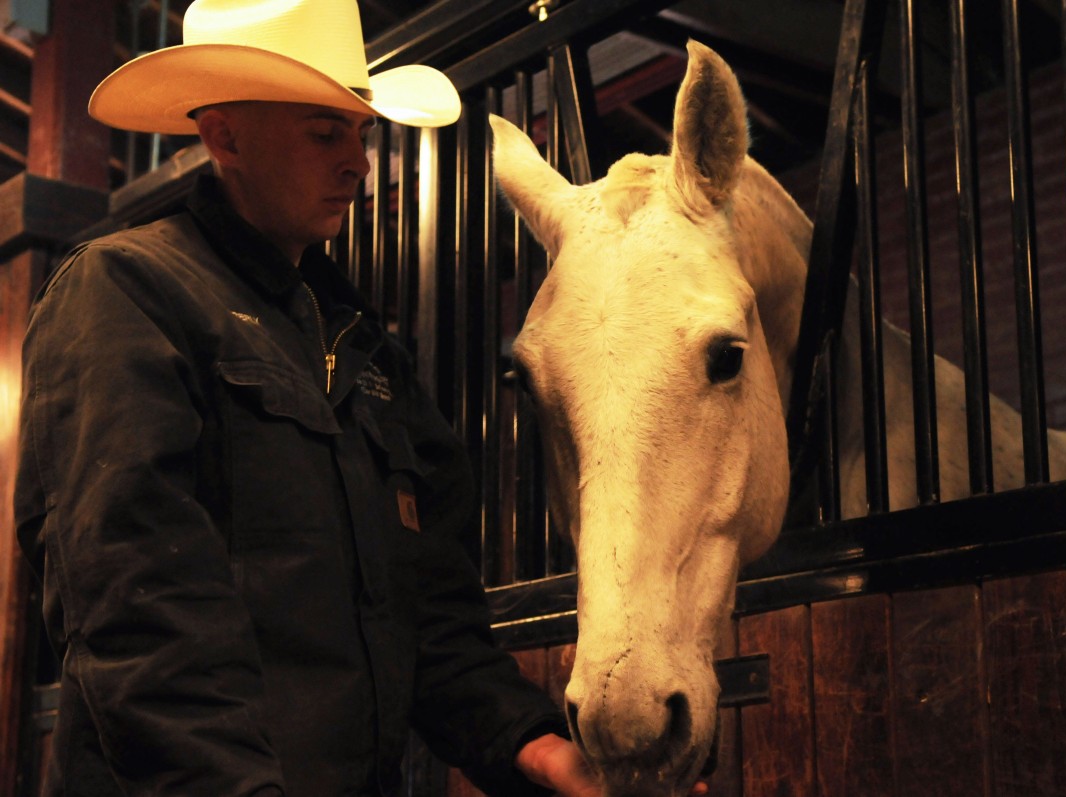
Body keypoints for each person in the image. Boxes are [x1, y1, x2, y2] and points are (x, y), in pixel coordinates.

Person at [13, 1, 672, 795]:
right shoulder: (127, 291)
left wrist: (536, 747)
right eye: (325, 132)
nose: (358, 163)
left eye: (359, 133)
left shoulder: (366, 352)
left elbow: (431, 612)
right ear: (224, 135)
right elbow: (136, 608)